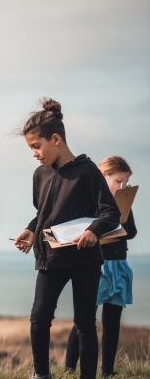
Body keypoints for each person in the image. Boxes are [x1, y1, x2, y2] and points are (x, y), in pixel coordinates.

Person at [13, 99, 121, 379]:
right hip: (51, 258)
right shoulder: (40, 174)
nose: (34, 154)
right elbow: (43, 213)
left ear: (56, 138)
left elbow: (111, 212)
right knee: (38, 318)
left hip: (85, 259)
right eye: (31, 149)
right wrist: (31, 229)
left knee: (85, 323)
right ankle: (41, 375)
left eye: (37, 146)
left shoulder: (88, 172)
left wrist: (93, 231)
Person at [65, 156, 137, 377]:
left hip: (119, 265)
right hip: (98, 265)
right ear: (103, 175)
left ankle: (108, 372)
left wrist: (115, 225)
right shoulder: (92, 200)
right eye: (118, 180)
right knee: (84, 321)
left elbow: (132, 232)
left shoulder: (123, 203)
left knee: (113, 322)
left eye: (125, 183)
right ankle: (69, 369)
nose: (122, 186)